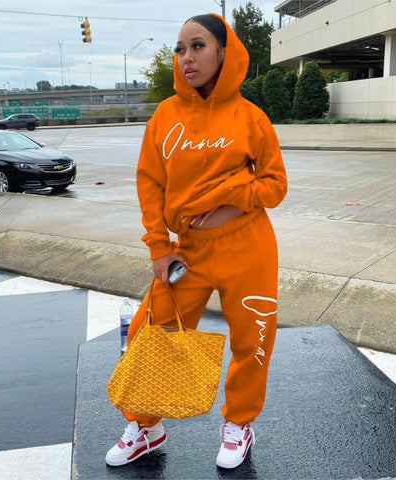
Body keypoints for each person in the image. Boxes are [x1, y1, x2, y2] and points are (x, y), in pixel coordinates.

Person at [106, 12, 287, 470]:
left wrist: (231, 197)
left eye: (198, 46)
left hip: (248, 246)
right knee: (153, 332)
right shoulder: (166, 116)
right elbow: (150, 183)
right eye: (180, 49)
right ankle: (146, 427)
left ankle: (239, 424)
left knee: (252, 340)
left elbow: (274, 186)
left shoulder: (252, 118)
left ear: (225, 52)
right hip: (186, 251)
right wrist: (158, 246)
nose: (186, 57)